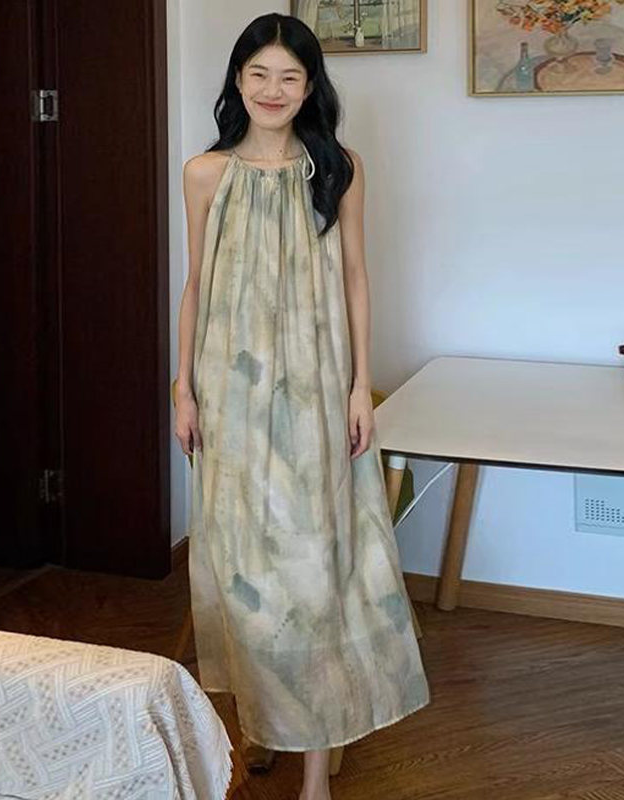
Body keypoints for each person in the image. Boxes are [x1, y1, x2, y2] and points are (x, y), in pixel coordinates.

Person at [174, 13, 429, 800]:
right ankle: (259, 725)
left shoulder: (338, 168)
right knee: (239, 563)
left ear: (310, 86)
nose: (273, 90)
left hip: (317, 387)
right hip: (228, 390)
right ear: (238, 80)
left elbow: (355, 276)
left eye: (289, 76)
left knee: (315, 568)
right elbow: (197, 285)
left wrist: (359, 385)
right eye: (259, 74)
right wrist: (181, 386)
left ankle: (315, 771)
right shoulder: (205, 173)